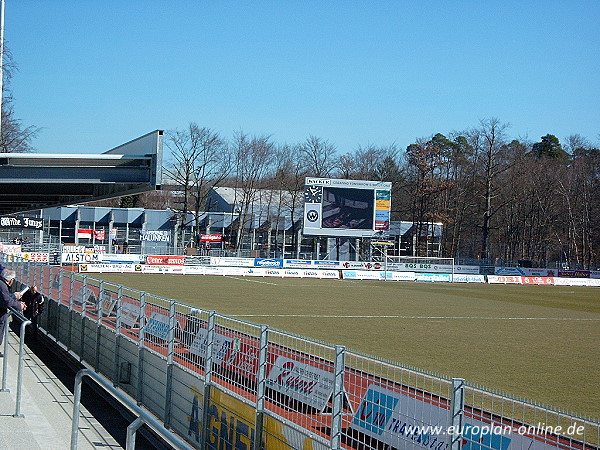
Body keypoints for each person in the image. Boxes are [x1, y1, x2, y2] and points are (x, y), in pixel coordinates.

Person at [0, 269, 26, 357]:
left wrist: (14, 297)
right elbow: (6, 301)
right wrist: (19, 306)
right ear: (11, 280)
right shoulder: (2, 286)